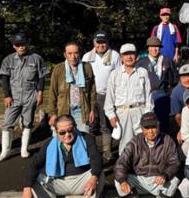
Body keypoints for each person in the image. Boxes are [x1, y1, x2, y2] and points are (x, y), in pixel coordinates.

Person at [21, 114, 104, 198]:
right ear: (56, 132)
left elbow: (96, 159)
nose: (67, 135)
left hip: (81, 182)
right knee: (34, 179)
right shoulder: (49, 143)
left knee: (99, 175)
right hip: (58, 181)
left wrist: (93, 178)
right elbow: (34, 165)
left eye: (70, 130)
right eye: (62, 133)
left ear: (75, 127)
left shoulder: (87, 138)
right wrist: (26, 189)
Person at [114, 112, 180, 198]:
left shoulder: (168, 140)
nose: (150, 131)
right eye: (147, 128)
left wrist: (165, 174)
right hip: (139, 180)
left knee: (175, 179)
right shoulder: (135, 142)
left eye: (153, 127)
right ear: (141, 128)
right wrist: (123, 180)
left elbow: (174, 163)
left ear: (158, 126)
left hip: (158, 181)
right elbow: (121, 162)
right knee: (118, 179)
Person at [0, 33, 49, 161]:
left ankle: (24, 149)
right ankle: (5, 151)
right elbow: (4, 78)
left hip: (30, 94)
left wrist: (40, 93)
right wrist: (7, 95)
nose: (21, 47)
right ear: (14, 46)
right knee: (7, 123)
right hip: (13, 96)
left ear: (27, 44)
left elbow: (42, 77)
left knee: (27, 122)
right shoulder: (8, 59)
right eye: (18, 45)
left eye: (23, 44)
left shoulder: (36, 58)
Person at [104, 43, 153, 153]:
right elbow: (109, 100)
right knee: (126, 145)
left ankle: (141, 167)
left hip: (140, 112)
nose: (129, 57)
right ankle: (124, 168)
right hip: (122, 113)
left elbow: (149, 96)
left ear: (136, 56)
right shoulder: (115, 74)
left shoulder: (142, 72)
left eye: (131, 54)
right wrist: (111, 116)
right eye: (125, 54)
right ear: (121, 57)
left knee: (143, 143)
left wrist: (148, 115)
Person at [82, 30, 121, 162]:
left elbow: (119, 75)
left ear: (107, 42)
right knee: (91, 124)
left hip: (108, 95)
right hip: (91, 96)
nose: (101, 45)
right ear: (94, 43)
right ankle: (92, 152)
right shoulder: (87, 57)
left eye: (103, 42)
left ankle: (107, 152)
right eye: (98, 42)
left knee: (105, 125)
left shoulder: (115, 55)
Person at [48, 41, 97, 133]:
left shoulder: (87, 67)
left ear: (79, 53)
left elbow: (92, 91)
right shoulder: (58, 69)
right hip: (63, 111)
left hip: (81, 110)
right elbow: (52, 93)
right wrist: (52, 114)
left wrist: (92, 110)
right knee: (61, 140)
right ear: (65, 55)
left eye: (76, 53)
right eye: (69, 53)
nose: (73, 57)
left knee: (82, 139)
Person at [137, 36, 176, 131]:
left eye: (157, 47)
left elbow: (174, 78)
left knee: (163, 123)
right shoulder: (141, 63)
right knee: (150, 123)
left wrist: (169, 93)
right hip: (147, 96)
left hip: (163, 95)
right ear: (148, 48)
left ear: (160, 48)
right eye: (152, 47)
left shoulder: (167, 60)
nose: (154, 49)